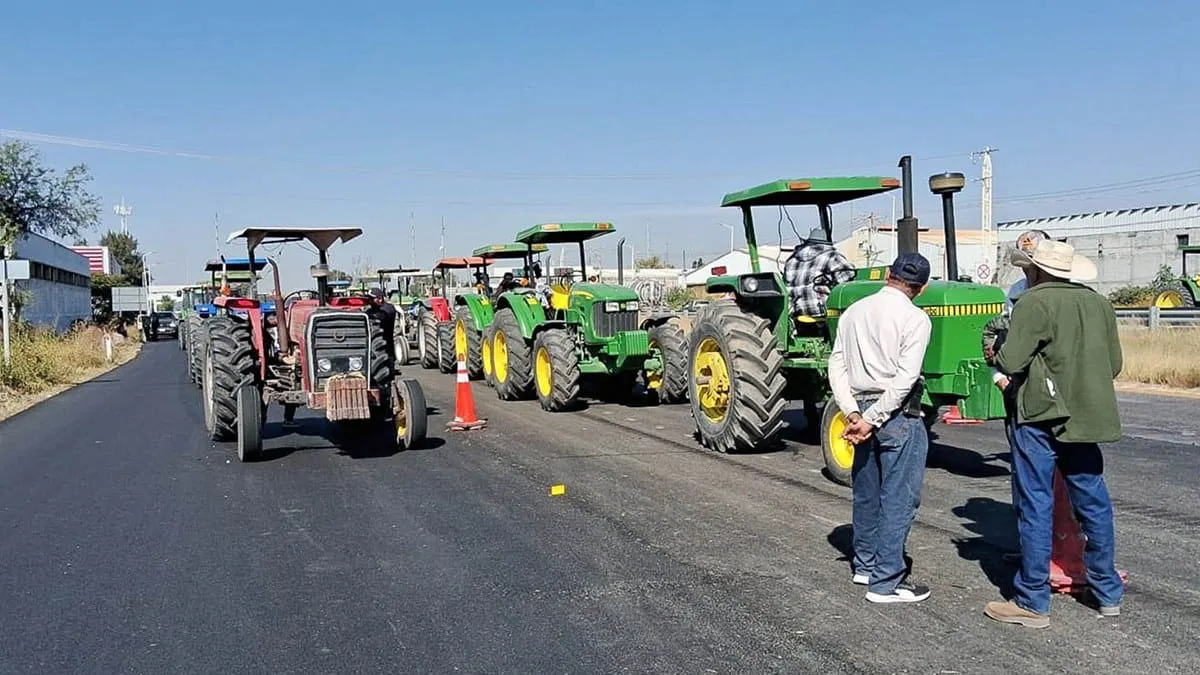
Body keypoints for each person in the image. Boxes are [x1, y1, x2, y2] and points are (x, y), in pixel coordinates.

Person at [984, 239, 1124, 629]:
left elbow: (1011, 360)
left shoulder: (1034, 302)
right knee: (1093, 501)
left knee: (1036, 504)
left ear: (1036, 269)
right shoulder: (1098, 303)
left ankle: (1032, 600)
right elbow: (1113, 363)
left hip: (1041, 416)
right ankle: (1106, 590)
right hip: (1087, 415)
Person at [828, 252, 933, 604]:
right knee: (899, 496)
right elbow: (904, 380)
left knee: (867, 491)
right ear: (922, 287)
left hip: (859, 406)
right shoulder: (916, 319)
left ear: (888, 274)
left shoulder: (853, 312)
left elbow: (837, 365)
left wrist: (853, 413)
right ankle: (886, 581)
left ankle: (865, 564)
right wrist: (874, 419)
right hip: (896, 414)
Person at [981, 229, 1050, 560]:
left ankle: (1061, 550)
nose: (1027, 270)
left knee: (1064, 480)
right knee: (1024, 475)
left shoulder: (1068, 294)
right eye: (1023, 264)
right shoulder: (1016, 292)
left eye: (1032, 264)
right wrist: (998, 375)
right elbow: (999, 338)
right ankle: (1029, 548)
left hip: (1055, 395)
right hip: (1020, 392)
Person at [783, 227, 857, 319]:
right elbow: (848, 277)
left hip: (796, 311)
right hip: (819, 310)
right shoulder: (831, 256)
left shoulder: (791, 260)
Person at [370, 288, 398, 362]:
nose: (371, 301)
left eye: (373, 298)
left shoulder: (388, 308)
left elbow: (381, 316)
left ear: (380, 299)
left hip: (386, 346)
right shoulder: (374, 309)